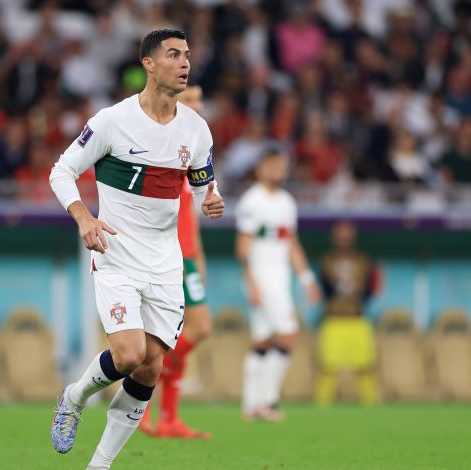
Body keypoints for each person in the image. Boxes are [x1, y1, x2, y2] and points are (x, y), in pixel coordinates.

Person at [48, 29, 224, 469]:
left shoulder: (197, 130)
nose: (184, 63)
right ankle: (74, 398)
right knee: (128, 355)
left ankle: (99, 464)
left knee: (149, 368)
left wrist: (212, 202)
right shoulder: (112, 121)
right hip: (117, 255)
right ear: (148, 63)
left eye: (187, 55)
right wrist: (84, 218)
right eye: (173, 54)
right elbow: (61, 172)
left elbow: (204, 192)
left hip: (165, 264)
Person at [138, 85, 213, 439]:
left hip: (188, 256)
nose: (198, 106)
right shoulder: (164, 149)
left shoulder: (194, 149)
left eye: (200, 100)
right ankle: (146, 382)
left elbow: (192, 215)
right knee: (194, 329)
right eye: (190, 100)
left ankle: (168, 418)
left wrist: (199, 256)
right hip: (170, 256)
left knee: (186, 332)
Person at [237, 148, 321, 422]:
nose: (279, 171)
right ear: (261, 167)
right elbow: (243, 245)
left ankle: (250, 405)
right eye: (273, 165)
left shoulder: (286, 201)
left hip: (281, 275)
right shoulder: (252, 201)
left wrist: (307, 278)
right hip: (262, 275)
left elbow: (292, 243)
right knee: (288, 334)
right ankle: (267, 402)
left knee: (263, 341)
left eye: (282, 165)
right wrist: (250, 282)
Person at [315, 220, 383, 406]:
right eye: (340, 234)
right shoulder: (325, 260)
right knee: (328, 369)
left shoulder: (365, 260)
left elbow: (372, 289)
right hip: (333, 320)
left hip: (357, 320)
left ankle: (373, 410)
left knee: (365, 368)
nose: (344, 238)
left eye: (347, 234)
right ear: (334, 237)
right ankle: (320, 411)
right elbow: (325, 289)